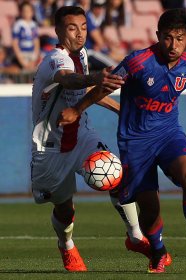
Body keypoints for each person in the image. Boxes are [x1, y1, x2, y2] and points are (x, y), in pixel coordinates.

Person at [57, 8, 186, 274]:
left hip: (168, 135)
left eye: (179, 38)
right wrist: (76, 110)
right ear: (157, 35)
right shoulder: (138, 62)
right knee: (150, 208)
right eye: (167, 37)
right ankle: (158, 251)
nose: (173, 45)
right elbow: (105, 87)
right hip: (135, 142)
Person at [31, 6, 150, 272]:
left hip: (81, 134)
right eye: (72, 28)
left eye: (84, 27)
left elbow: (82, 88)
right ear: (59, 31)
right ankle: (66, 245)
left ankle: (135, 235)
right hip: (51, 147)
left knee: (114, 173)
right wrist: (95, 76)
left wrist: (120, 109)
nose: (80, 34)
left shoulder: (81, 54)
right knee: (65, 210)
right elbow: (69, 80)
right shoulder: (55, 59)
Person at [11, 1, 40, 71]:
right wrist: (21, 60)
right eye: (24, 11)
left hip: (31, 54)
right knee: (19, 71)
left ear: (32, 12)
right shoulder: (18, 25)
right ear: (21, 12)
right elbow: (15, 43)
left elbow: (36, 42)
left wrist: (34, 58)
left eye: (29, 10)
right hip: (22, 54)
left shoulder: (34, 25)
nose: (27, 13)